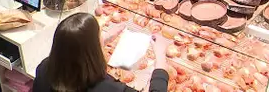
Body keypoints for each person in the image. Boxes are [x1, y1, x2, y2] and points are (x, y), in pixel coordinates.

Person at [33, 13, 169, 92]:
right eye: (99, 36)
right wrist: (161, 60)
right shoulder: (107, 88)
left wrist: (101, 40)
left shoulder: (44, 68)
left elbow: (74, 51)